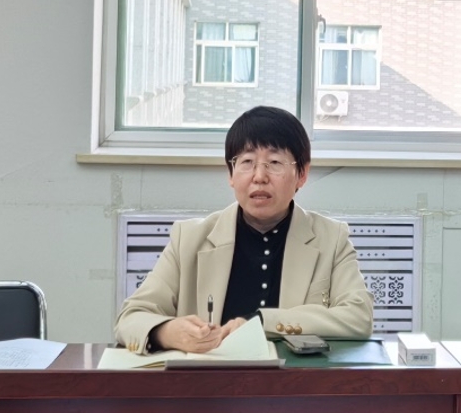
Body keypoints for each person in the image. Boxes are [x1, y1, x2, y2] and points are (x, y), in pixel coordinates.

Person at [116, 106, 373, 354]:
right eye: (247, 162)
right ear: (231, 174)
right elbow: (131, 317)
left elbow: (358, 318)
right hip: (209, 380)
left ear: (302, 174)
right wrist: (167, 332)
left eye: (274, 162)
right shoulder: (189, 239)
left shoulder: (331, 239)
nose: (259, 176)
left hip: (293, 380)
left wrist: (261, 323)